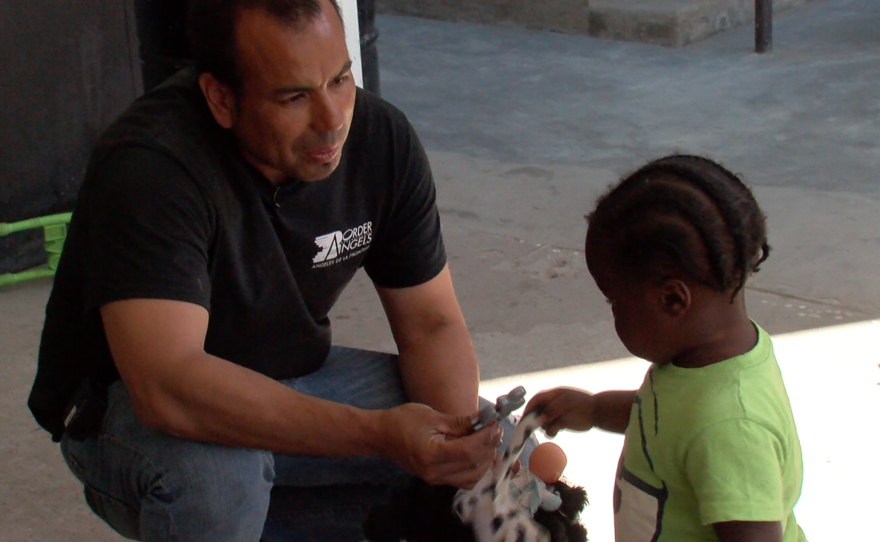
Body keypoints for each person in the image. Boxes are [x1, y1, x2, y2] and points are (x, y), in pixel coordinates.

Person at [27, 0, 505, 540]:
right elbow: (168, 385)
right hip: (126, 412)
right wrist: (379, 435)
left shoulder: (380, 140)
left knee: (499, 449)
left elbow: (432, 325)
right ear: (221, 99)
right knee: (220, 483)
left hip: (285, 371)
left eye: (340, 79)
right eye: (294, 96)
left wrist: (457, 471)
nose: (332, 119)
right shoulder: (152, 166)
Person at [525, 155, 808, 542]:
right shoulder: (700, 360)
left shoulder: (731, 429)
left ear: (673, 300)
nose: (613, 315)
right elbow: (665, 418)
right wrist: (594, 410)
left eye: (615, 302)